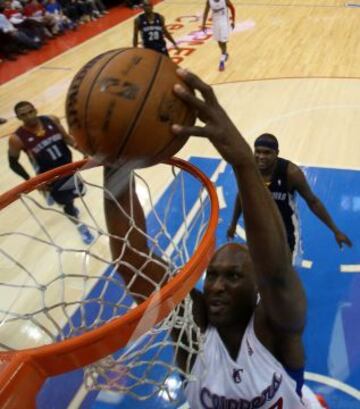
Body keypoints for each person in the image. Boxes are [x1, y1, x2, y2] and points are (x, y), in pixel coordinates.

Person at [104, 70, 327, 408]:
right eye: (214, 275)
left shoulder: (276, 326)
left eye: (233, 275)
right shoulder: (191, 329)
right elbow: (132, 260)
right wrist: (115, 163)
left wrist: (243, 162)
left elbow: (277, 271)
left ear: (257, 290)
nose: (217, 285)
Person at [227, 133, 352, 255]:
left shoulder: (291, 173)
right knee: (258, 267)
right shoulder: (249, 171)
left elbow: (313, 202)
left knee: (285, 269)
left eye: (267, 152)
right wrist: (233, 223)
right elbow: (242, 196)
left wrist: (335, 230)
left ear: (277, 153)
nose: (261, 156)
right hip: (259, 227)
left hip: (286, 229)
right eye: (258, 151)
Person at [8, 101, 94, 245]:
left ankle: (51, 197)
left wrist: (83, 152)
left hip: (68, 167)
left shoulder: (51, 120)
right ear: (18, 118)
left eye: (30, 111)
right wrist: (31, 182)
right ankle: (80, 226)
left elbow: (66, 138)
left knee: (80, 192)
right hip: (49, 177)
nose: (28, 116)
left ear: (35, 110)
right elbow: (13, 163)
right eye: (23, 115)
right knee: (68, 205)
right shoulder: (16, 139)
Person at [201, 0, 235, 71]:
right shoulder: (209, 1)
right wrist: (203, 24)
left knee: (223, 41)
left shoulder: (225, 0)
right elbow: (206, 13)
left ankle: (222, 61)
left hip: (224, 23)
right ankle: (225, 53)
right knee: (219, 42)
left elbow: (232, 8)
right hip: (215, 24)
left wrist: (233, 21)